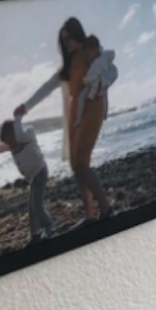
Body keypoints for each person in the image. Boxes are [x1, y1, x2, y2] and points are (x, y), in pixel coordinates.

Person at [16, 19, 116, 224]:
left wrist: (104, 85)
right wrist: (26, 106)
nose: (67, 43)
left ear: (77, 33)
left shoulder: (90, 53)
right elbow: (47, 87)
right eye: (64, 41)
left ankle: (106, 207)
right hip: (75, 113)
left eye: (69, 38)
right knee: (75, 165)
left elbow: (110, 66)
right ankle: (90, 215)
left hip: (92, 106)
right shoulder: (67, 66)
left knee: (81, 160)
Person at [0, 114, 53, 244]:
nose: (9, 145)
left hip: (40, 172)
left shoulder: (27, 135)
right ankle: (35, 234)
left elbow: (23, 132)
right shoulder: (11, 145)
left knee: (37, 206)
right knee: (31, 207)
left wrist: (17, 122)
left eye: (9, 140)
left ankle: (49, 225)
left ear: (15, 133)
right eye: (7, 142)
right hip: (33, 177)